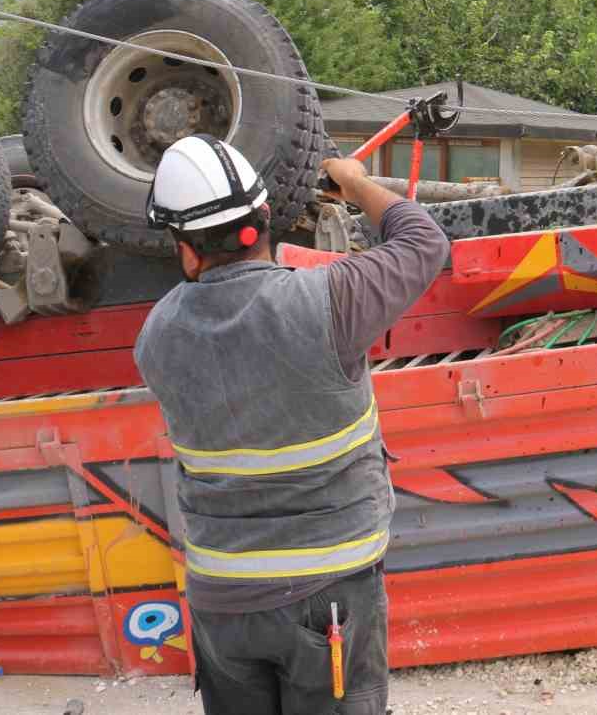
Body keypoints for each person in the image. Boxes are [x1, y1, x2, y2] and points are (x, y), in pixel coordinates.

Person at [134, 135, 449, 715]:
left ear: (186, 252)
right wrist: (353, 182)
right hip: (329, 593)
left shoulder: (156, 337)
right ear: (266, 216)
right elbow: (423, 240)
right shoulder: (329, 301)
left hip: (221, 596)